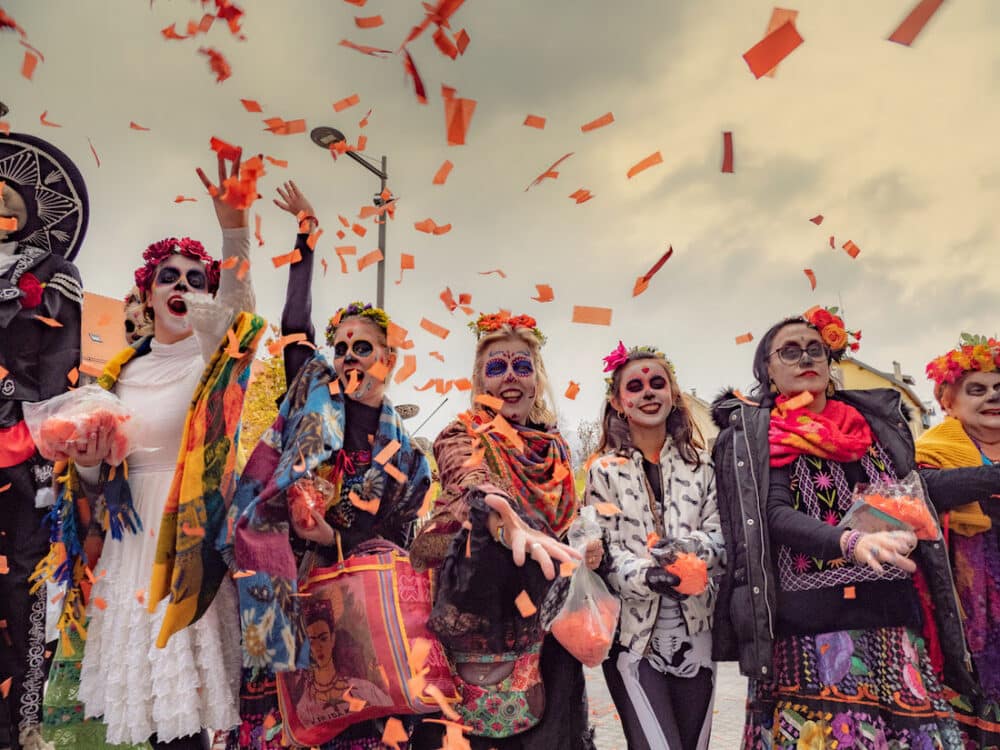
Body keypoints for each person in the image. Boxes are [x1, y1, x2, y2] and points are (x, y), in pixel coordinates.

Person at [33, 151, 264, 749]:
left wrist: (234, 229)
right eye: (170, 277)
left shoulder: (211, 361)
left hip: (188, 539)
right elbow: (87, 484)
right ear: (149, 295)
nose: (183, 286)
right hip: (127, 547)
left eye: (195, 278)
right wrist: (86, 457)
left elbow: (238, 314)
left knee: (183, 723)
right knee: (140, 715)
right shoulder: (114, 376)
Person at [710, 306, 986, 749]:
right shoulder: (758, 433)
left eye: (815, 350)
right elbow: (772, 514)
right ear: (767, 368)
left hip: (889, 616)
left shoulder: (869, 426)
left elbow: (913, 488)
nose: (806, 359)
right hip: (811, 628)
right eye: (791, 351)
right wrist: (849, 541)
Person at [229, 181, 432, 749]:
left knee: (354, 717)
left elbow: (395, 531)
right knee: (283, 718)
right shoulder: (314, 396)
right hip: (286, 579)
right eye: (341, 346)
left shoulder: (405, 450)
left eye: (362, 347)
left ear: (388, 361)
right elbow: (296, 323)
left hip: (356, 598)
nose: (346, 356)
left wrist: (334, 529)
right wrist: (306, 234)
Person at [410, 311, 590, 750]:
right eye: (497, 367)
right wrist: (502, 519)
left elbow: (569, 526)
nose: (511, 377)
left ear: (537, 379)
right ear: (481, 383)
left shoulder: (557, 449)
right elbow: (467, 476)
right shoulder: (462, 433)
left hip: (549, 635)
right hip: (479, 633)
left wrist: (587, 549)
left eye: (522, 366)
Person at [585, 342, 723, 750]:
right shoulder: (603, 470)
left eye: (657, 383)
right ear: (618, 400)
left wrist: (688, 552)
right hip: (633, 640)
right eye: (636, 386)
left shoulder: (703, 465)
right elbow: (602, 552)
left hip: (698, 637)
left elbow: (721, 537)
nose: (648, 392)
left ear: (673, 394)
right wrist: (648, 574)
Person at [0, 129, 88, 750]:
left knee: (22, 583)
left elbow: (60, 364)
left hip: (18, 446)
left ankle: (23, 718)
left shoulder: (56, 273)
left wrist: (23, 423)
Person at [917, 336, 1000, 749]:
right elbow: (924, 488)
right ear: (949, 401)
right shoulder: (930, 451)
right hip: (970, 616)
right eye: (978, 389)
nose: (992, 397)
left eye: (999, 388)